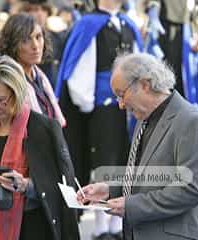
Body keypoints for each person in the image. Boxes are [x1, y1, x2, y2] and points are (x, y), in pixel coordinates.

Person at [77, 53, 198, 240]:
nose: (120, 105)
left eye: (121, 94)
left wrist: (130, 206)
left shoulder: (192, 122)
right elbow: (152, 177)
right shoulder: (144, 120)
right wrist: (109, 189)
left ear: (145, 84)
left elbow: (192, 189)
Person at [0, 55, 80, 240]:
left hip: (33, 228)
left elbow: (64, 189)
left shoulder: (44, 129)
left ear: (16, 93)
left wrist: (26, 185)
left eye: (1, 100)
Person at [55, 0, 143, 238]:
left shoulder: (127, 23)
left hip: (126, 106)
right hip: (101, 107)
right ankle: (103, 226)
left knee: (124, 160)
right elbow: (81, 69)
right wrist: (87, 103)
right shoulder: (88, 24)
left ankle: (118, 224)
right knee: (105, 161)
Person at [0, 13, 66, 127]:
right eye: (25, 40)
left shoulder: (40, 77)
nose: (35, 46)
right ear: (12, 44)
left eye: (38, 37)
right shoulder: (7, 83)